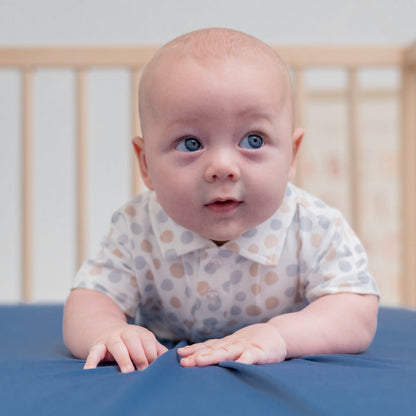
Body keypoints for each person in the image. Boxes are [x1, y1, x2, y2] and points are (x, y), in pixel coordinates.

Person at [63, 28, 379, 373]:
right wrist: (109, 330)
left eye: (253, 140)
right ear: (146, 164)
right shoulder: (136, 227)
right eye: (190, 144)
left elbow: (355, 312)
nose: (223, 168)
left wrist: (280, 335)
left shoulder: (315, 226)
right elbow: (90, 298)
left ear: (291, 155)